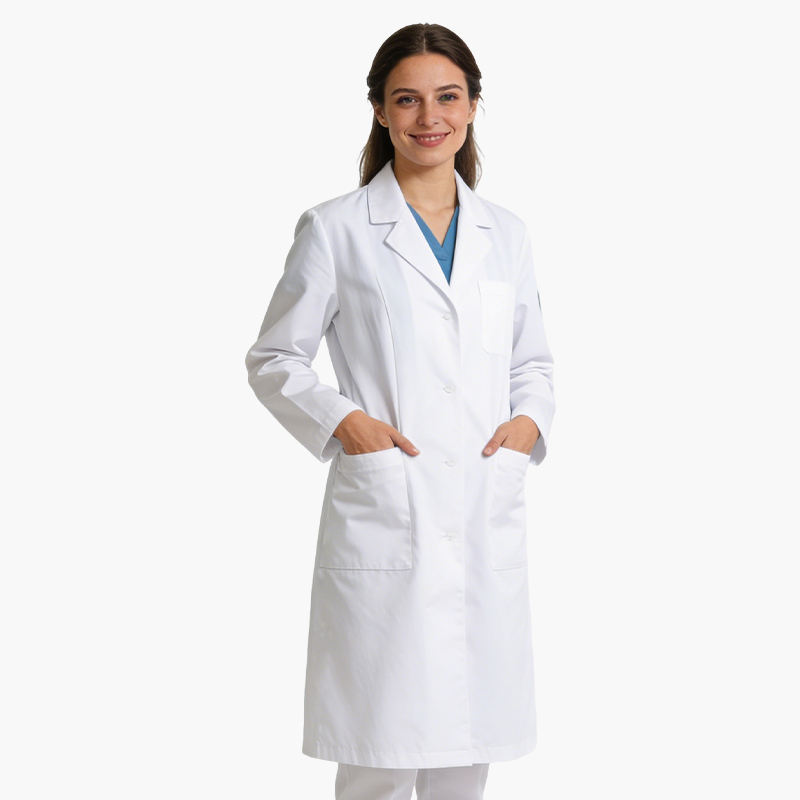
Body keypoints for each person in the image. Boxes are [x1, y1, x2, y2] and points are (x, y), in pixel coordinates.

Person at [244, 22, 555, 800]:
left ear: (473, 105)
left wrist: (528, 424)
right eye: (407, 100)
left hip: (481, 501)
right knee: (379, 752)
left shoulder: (506, 235)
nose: (429, 117)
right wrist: (343, 422)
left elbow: (532, 362)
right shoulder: (336, 228)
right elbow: (275, 357)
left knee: (467, 754)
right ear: (381, 112)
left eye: (447, 97)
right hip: (389, 505)